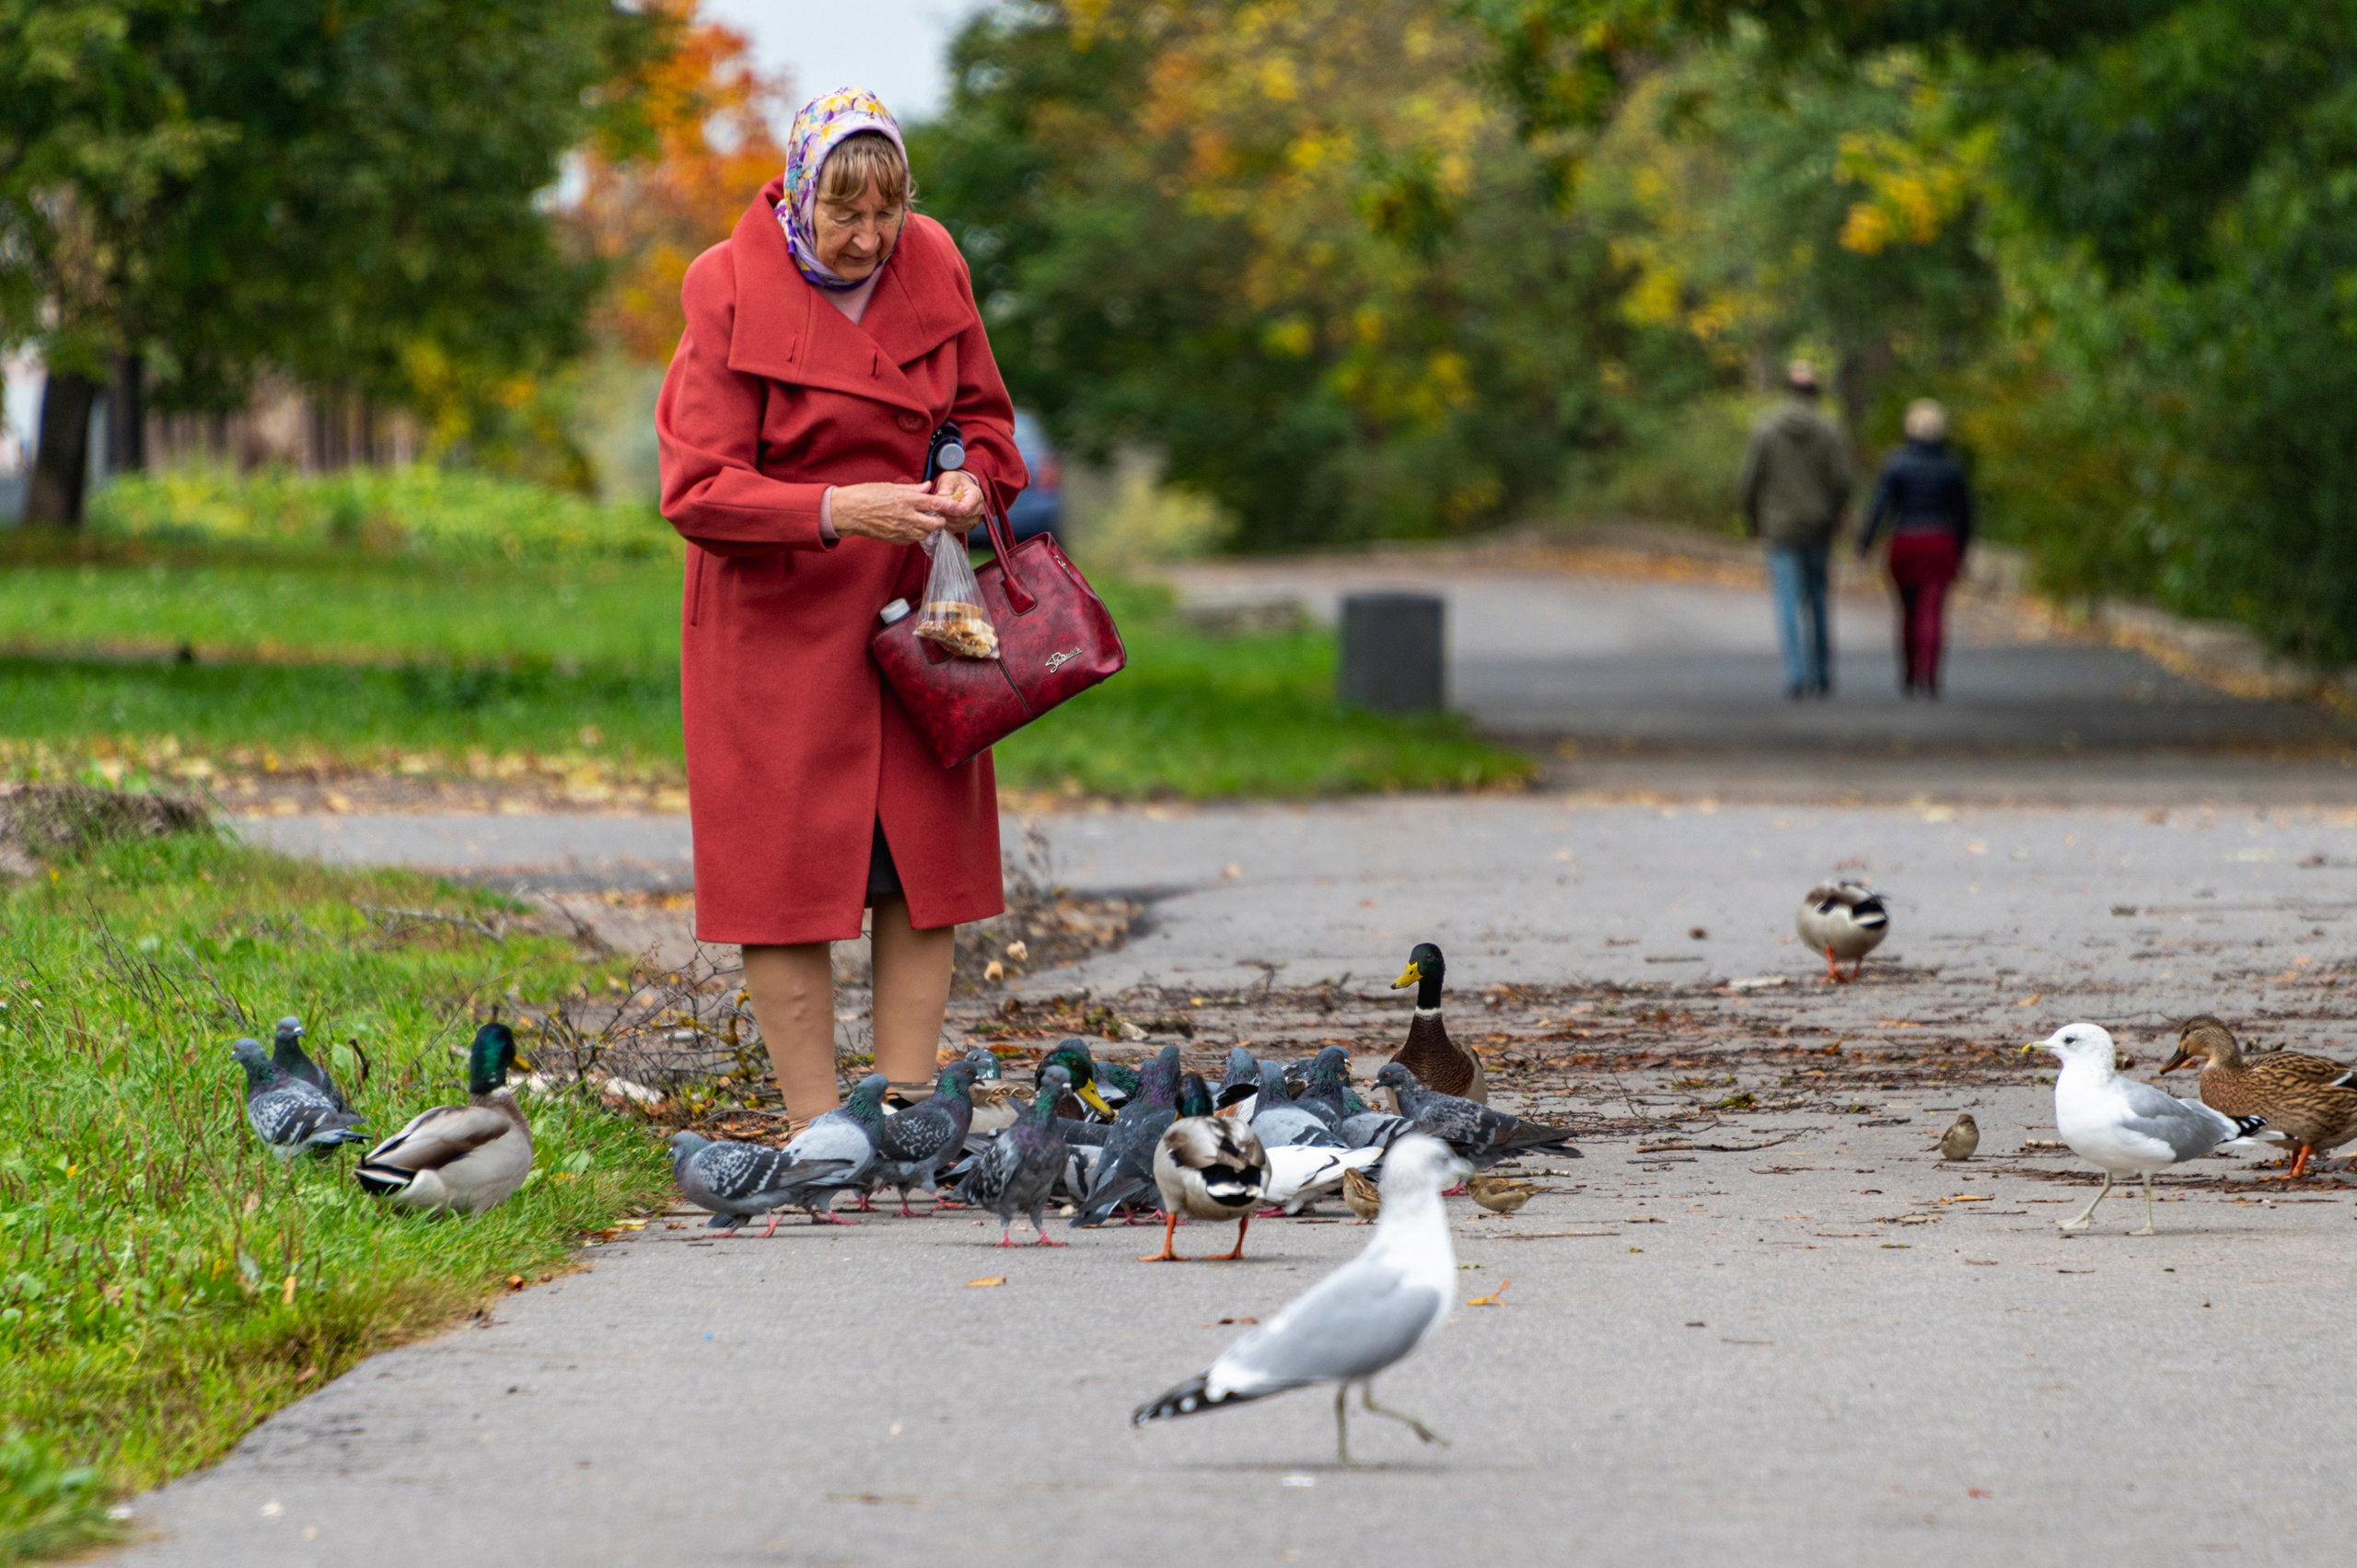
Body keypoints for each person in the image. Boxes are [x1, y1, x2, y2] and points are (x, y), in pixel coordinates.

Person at [655, 88, 1028, 1128]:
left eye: (888, 212)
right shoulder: (725, 285)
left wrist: (972, 487)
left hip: (924, 611)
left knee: (919, 866)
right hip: (775, 623)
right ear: (800, 191)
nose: (868, 238)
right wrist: (833, 507)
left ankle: (909, 1114)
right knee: (785, 874)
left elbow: (987, 427)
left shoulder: (937, 261)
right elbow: (695, 489)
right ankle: (821, 1127)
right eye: (843, 214)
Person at [1739, 359, 1854, 700]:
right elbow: (1844, 481)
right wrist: (1835, 513)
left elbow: (1749, 480)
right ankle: (1821, 674)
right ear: (1815, 391)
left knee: (1788, 600)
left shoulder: (1767, 428)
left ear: (1787, 389)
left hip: (1781, 526)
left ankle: (1796, 674)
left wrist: (1752, 520)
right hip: (1819, 525)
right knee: (1817, 598)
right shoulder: (1830, 429)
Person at [1857, 399, 1972, 698]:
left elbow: (1880, 506)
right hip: (1939, 542)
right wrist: (1961, 548)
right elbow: (1964, 513)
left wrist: (1865, 542)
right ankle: (1930, 676)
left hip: (1906, 541)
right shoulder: (1951, 467)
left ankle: (1909, 675)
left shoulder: (1896, 463)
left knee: (1907, 611)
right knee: (1933, 611)